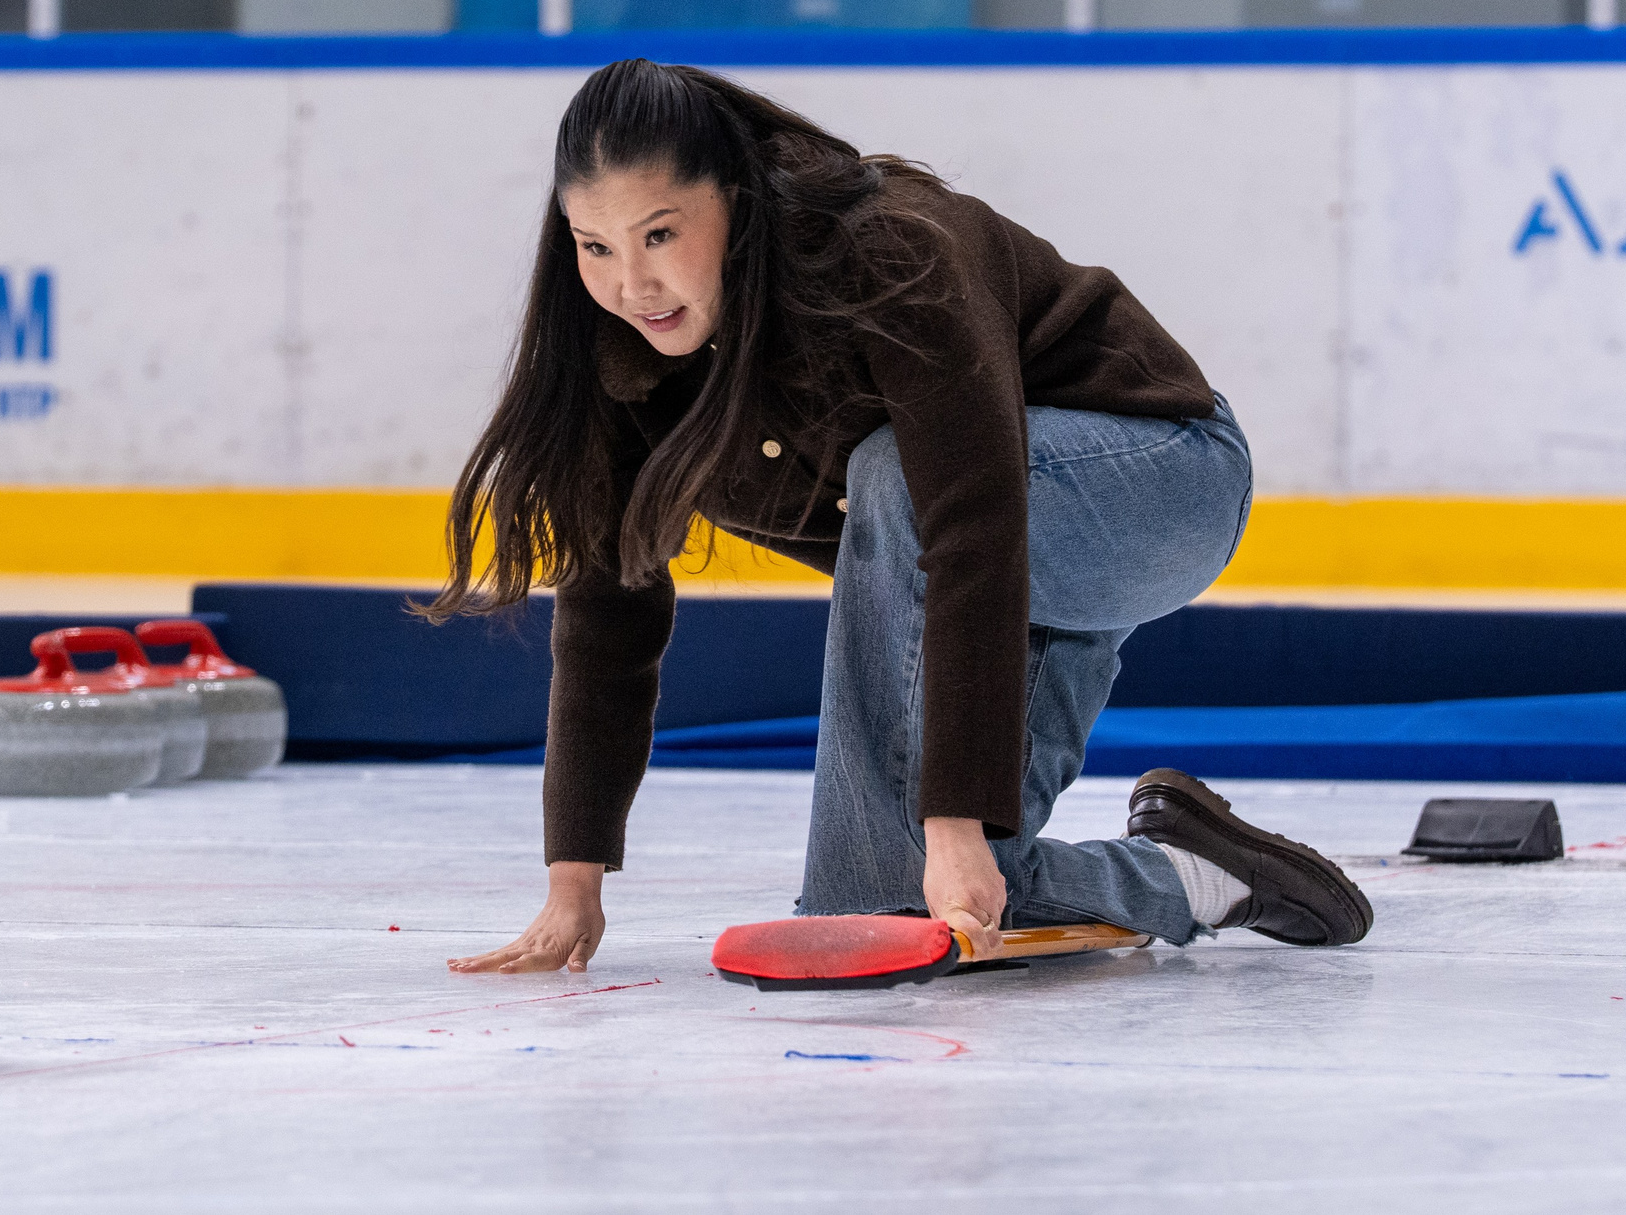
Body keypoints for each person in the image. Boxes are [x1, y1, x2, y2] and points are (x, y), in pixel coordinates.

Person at [430, 59, 1371, 975]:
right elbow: (609, 610)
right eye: (596, 246)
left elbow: (971, 522)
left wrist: (951, 823)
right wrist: (574, 882)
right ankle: (1201, 875)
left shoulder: (886, 250)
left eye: (660, 235)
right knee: (907, 901)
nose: (632, 284)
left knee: (892, 480)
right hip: (992, 571)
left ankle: (927, 861)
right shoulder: (622, 362)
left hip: (1160, 482)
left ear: (739, 202)